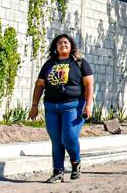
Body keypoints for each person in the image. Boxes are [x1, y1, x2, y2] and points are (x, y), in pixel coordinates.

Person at [29, 33, 94, 183]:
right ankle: (57, 172)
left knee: (68, 138)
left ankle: (76, 162)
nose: (63, 45)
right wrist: (34, 105)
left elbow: (89, 85)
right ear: (55, 47)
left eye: (66, 43)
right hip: (51, 107)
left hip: (73, 106)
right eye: (59, 43)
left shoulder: (80, 63)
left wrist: (88, 105)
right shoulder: (49, 64)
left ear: (71, 46)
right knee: (56, 140)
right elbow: (39, 85)